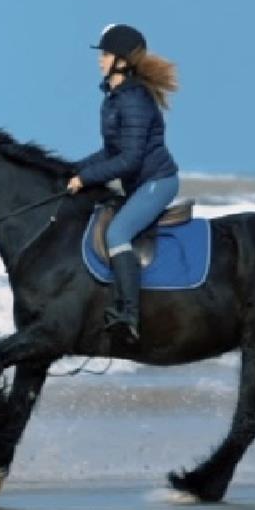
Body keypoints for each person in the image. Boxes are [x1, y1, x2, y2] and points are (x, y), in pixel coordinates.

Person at [66, 23, 181, 338]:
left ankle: (129, 314)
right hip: (140, 183)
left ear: (122, 61)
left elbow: (129, 159)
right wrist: (70, 170)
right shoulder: (116, 98)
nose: (100, 60)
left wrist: (86, 178)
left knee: (117, 233)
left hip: (158, 182)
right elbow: (110, 151)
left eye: (105, 54)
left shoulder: (133, 100)